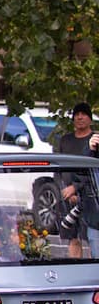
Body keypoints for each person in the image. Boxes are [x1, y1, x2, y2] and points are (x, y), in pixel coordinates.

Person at [55, 102, 99, 258]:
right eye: (77, 114)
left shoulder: (95, 142)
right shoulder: (65, 140)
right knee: (73, 238)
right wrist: (64, 189)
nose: (80, 117)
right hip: (68, 196)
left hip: (90, 199)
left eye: (84, 114)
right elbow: (58, 168)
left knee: (91, 238)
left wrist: (76, 187)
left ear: (90, 119)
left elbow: (89, 170)